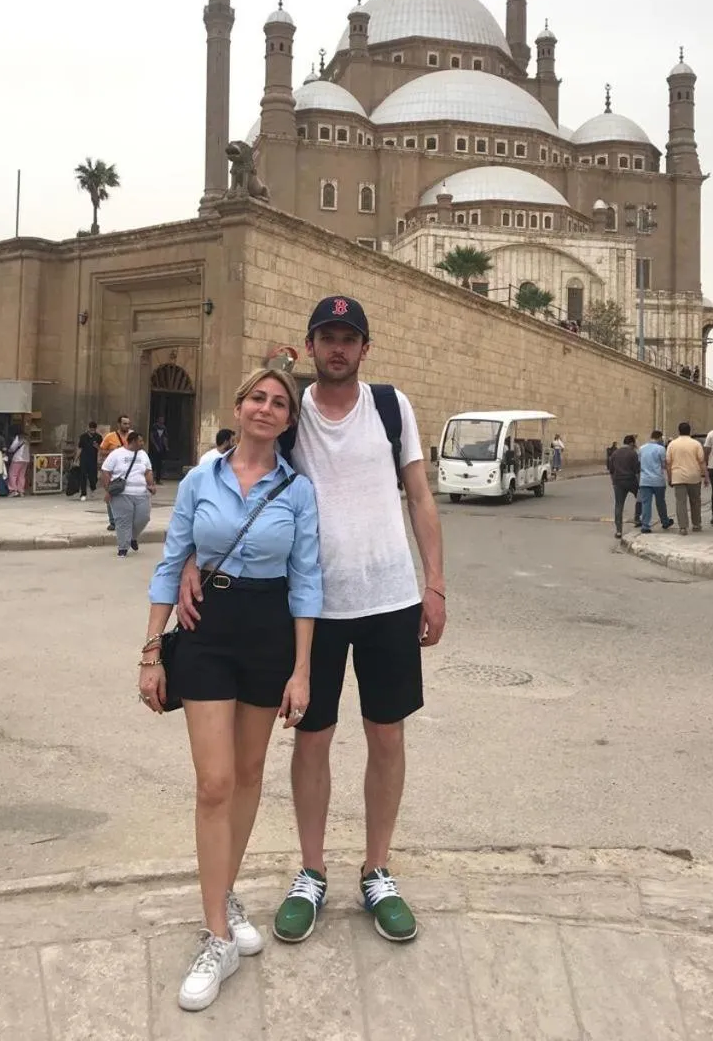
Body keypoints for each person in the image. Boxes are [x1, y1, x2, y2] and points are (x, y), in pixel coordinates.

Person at [178, 295, 446, 951]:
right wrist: (191, 557)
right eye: (325, 337)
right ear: (312, 344)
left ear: (364, 348)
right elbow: (231, 477)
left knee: (386, 738)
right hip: (311, 608)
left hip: (388, 597)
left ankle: (378, 869)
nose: (336, 347)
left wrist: (433, 584)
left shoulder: (392, 407)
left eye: (347, 337)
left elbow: (419, 494)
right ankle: (312, 870)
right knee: (313, 740)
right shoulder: (291, 418)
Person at [141, 368, 321, 1012]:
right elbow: (172, 560)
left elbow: (307, 581)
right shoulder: (198, 479)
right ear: (238, 405)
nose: (267, 409)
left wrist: (301, 670)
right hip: (208, 630)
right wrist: (152, 648)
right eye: (257, 399)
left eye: (279, 403)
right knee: (213, 782)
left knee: (248, 776)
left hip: (270, 634)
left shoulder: (298, 490)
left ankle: (226, 891)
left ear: (288, 419)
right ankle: (215, 933)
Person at [101, 430, 156, 557]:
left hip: (142, 493)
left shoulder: (143, 455)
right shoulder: (117, 454)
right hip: (122, 493)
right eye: (140, 441)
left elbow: (148, 471)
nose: (143, 443)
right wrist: (108, 489)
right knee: (123, 521)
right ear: (133, 441)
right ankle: (123, 547)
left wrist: (151, 485)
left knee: (143, 518)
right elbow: (105, 471)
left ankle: (132, 537)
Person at [666, 421, 708, 536]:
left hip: (678, 476)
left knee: (681, 502)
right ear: (690, 431)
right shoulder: (696, 444)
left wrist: (669, 478)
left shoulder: (672, 444)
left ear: (679, 431)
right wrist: (706, 477)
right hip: (694, 476)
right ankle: (696, 524)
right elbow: (702, 461)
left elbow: (668, 464)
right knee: (695, 501)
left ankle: (683, 527)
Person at [98, 414, 131, 531]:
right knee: (111, 494)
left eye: (128, 423)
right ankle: (113, 522)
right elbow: (101, 451)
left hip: (128, 471)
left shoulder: (132, 436)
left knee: (128, 496)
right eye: (124, 423)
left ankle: (125, 521)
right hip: (113, 471)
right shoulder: (110, 437)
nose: (127, 426)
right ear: (119, 424)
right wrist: (112, 451)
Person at [637, 430, 673, 534]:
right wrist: (670, 478)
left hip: (644, 480)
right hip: (657, 480)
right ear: (659, 438)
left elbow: (640, 463)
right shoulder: (661, 449)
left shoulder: (641, 448)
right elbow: (664, 464)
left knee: (646, 503)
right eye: (662, 438)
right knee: (660, 502)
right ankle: (665, 521)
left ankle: (645, 525)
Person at [609, 435, 641, 539]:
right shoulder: (633, 453)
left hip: (618, 482)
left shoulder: (615, 453)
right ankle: (638, 519)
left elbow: (611, 470)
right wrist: (639, 483)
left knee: (619, 505)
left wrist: (613, 482)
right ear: (631, 443)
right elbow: (636, 470)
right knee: (641, 498)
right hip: (631, 481)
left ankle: (618, 531)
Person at [77, 421, 102, 501]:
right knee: (83, 476)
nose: (92, 431)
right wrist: (76, 458)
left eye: (93, 430)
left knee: (93, 477)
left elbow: (101, 449)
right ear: (88, 429)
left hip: (93, 459)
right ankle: (83, 494)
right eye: (91, 430)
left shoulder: (98, 437)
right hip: (84, 459)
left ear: (95, 429)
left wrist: (97, 446)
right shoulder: (83, 437)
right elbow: (80, 448)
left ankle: (93, 487)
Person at [6, 428, 31, 497]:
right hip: (26, 459)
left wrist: (9, 451)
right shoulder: (27, 439)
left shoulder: (18, 438)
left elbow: (13, 448)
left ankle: (13, 490)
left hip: (17, 458)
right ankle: (21, 491)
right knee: (21, 475)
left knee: (12, 474)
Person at [149, 416, 169, 484]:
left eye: (163, 419)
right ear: (158, 420)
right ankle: (151, 478)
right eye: (161, 419)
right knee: (153, 463)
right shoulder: (154, 426)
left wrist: (166, 446)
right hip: (154, 448)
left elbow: (165, 438)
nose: (162, 420)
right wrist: (155, 446)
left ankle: (158, 479)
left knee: (159, 464)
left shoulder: (164, 427)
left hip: (161, 448)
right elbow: (151, 436)